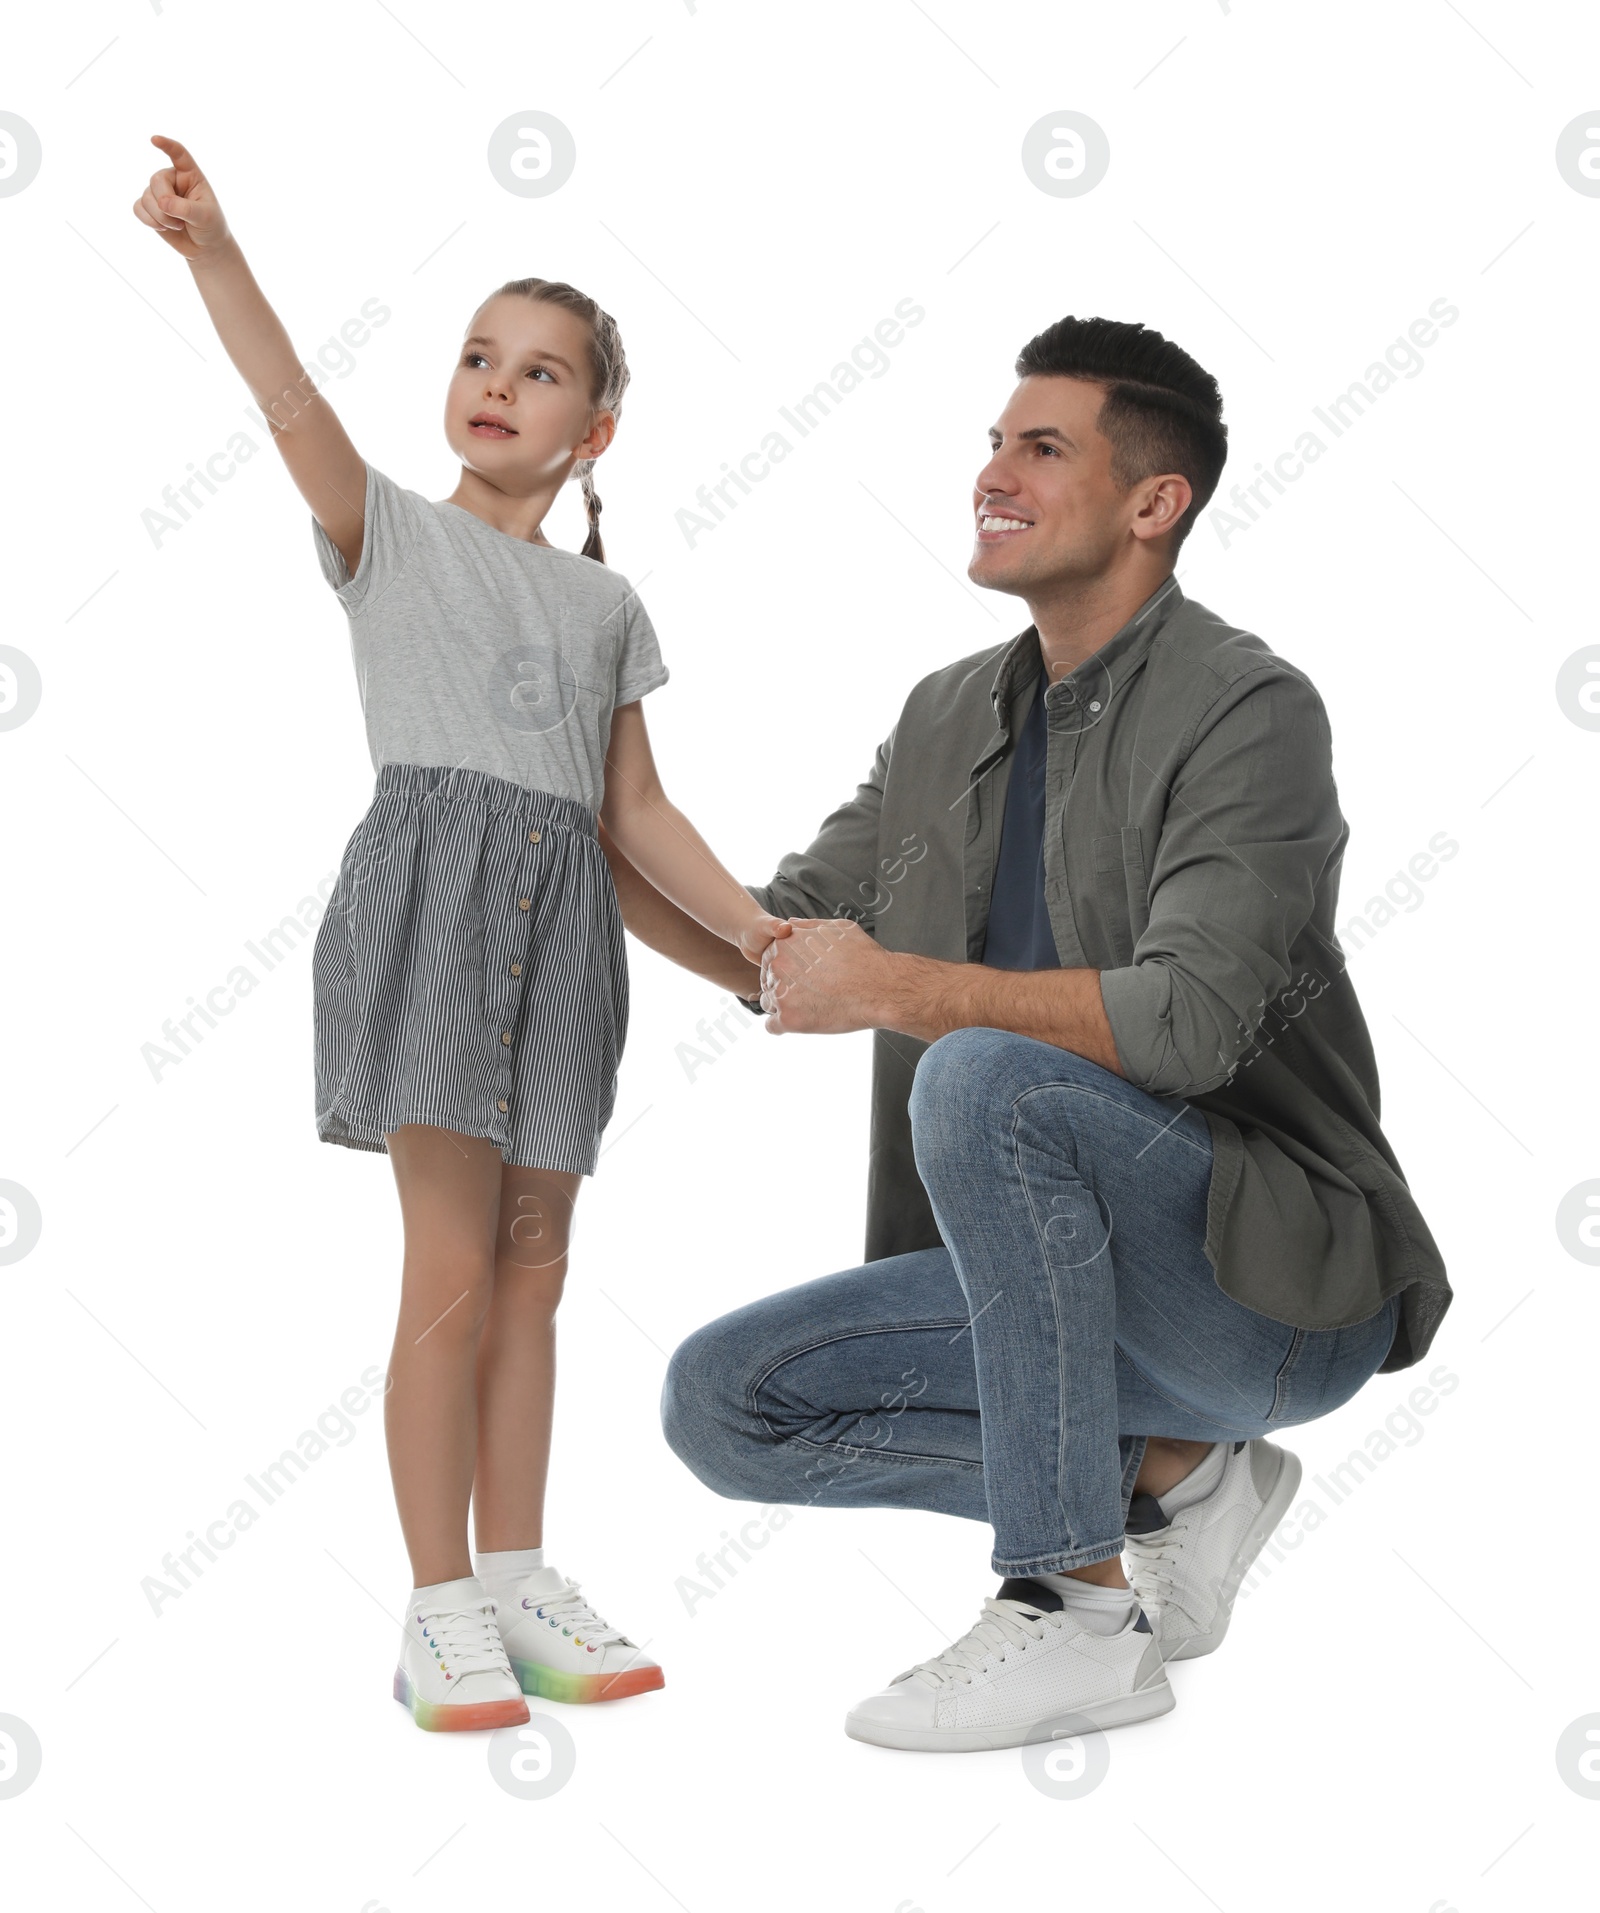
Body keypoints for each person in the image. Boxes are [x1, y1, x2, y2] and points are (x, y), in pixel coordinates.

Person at [607, 314, 1452, 1753]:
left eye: (1039, 447)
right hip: (1051, 1297)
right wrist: (601, 815)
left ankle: (1072, 1607)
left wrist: (902, 992)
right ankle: (1176, 1478)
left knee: (988, 1074)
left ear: (1151, 502)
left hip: (1269, 1287)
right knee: (725, 1404)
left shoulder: (1250, 710)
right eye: (995, 443)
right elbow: (783, 940)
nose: (993, 471)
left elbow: (1186, 1020)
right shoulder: (949, 713)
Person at [131, 134, 793, 1732]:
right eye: (480, 356)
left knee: (536, 1272)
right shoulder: (390, 535)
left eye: (543, 370)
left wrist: (766, 948)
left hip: (566, 943)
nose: (500, 385)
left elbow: (633, 823)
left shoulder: (607, 608)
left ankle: (517, 1576)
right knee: (446, 1270)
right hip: (431, 910)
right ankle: (437, 1606)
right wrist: (218, 251)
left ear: (598, 427)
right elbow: (289, 406)